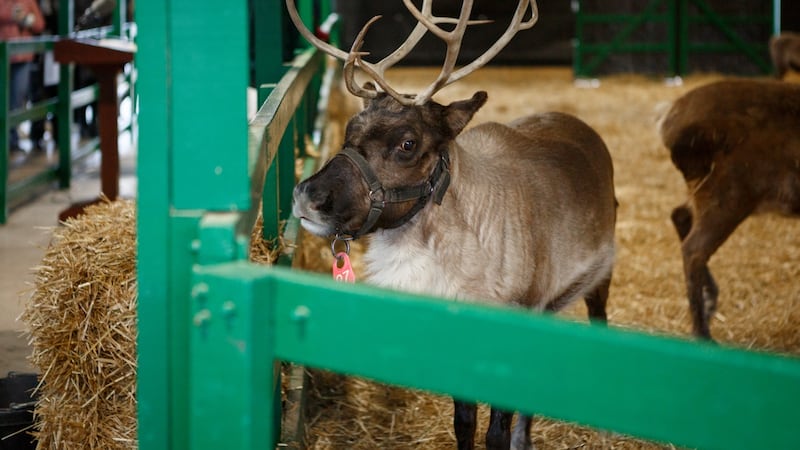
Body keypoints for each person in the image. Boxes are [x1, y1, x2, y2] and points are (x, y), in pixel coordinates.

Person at [0, 0, 45, 151]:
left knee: (17, 98)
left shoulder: (28, 1)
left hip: (23, 56)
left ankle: (11, 139)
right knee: (3, 99)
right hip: (3, 57)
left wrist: (26, 19)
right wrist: (11, 16)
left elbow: (39, 24)